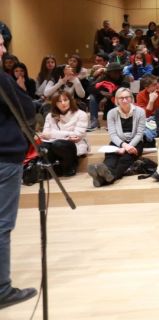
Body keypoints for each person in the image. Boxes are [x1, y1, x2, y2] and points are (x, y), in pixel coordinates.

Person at [0, 33, 38, 309]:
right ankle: (2, 290)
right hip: (4, 159)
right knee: (2, 224)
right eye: (0, 43)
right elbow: (26, 108)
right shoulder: (3, 80)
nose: (4, 49)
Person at [87, 87, 146, 187]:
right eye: (121, 98)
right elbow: (113, 134)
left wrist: (128, 147)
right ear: (116, 100)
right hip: (118, 141)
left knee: (125, 159)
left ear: (131, 98)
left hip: (135, 143)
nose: (124, 100)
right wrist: (123, 146)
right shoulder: (111, 113)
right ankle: (105, 175)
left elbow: (139, 134)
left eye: (127, 97)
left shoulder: (140, 112)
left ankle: (103, 179)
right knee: (110, 158)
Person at [40, 90, 89, 176]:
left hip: (75, 145)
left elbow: (77, 135)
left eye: (65, 100)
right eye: (59, 101)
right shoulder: (50, 115)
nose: (63, 103)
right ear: (55, 103)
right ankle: (51, 170)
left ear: (70, 100)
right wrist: (68, 134)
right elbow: (45, 134)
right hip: (54, 144)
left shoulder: (81, 114)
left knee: (58, 144)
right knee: (43, 146)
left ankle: (69, 167)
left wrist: (52, 134)